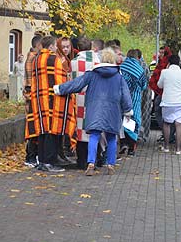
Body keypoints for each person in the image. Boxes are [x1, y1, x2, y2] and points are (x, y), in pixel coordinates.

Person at [54, 48, 133, 176]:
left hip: (94, 109)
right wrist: (128, 110)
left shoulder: (91, 74)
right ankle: (110, 164)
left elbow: (76, 84)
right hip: (113, 111)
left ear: (101, 60)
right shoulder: (119, 77)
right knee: (112, 138)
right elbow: (125, 95)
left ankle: (91, 163)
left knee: (94, 136)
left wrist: (60, 88)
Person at [25, 35, 77, 172]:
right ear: (51, 46)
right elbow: (61, 79)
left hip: (39, 100)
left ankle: (42, 161)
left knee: (42, 131)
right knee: (52, 131)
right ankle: (49, 162)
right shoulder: (54, 59)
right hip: (53, 101)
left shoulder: (36, 59)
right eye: (55, 45)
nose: (56, 48)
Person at [70, 37, 100, 169]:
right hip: (95, 98)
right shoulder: (97, 61)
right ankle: (95, 159)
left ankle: (81, 160)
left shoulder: (73, 62)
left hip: (78, 99)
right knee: (94, 128)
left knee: (80, 129)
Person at [157, 54, 181, 154]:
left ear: (169, 63)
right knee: (179, 125)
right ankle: (178, 149)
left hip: (168, 102)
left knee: (166, 124)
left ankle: (166, 147)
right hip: (180, 102)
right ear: (179, 62)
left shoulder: (164, 72)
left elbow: (159, 85)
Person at [120, 49, 147, 156]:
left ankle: (123, 142)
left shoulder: (121, 67)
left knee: (122, 119)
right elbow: (144, 85)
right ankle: (132, 147)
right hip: (134, 99)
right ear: (137, 57)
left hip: (122, 98)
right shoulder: (139, 70)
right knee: (134, 120)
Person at [23, 34, 42, 167]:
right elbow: (30, 82)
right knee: (32, 128)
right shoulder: (32, 59)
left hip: (32, 98)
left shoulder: (33, 57)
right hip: (31, 99)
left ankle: (32, 156)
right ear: (37, 45)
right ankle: (30, 157)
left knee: (34, 128)